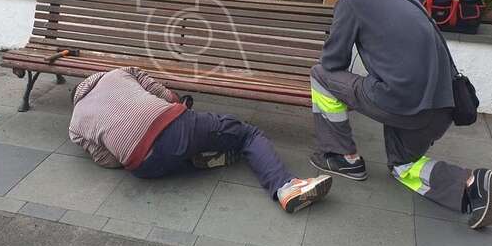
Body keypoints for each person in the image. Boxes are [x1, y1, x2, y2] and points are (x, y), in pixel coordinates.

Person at [308, 0, 492, 229]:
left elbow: (333, 62)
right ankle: (471, 184)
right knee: (403, 166)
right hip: (441, 108)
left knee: (320, 75)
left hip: (399, 103)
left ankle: (343, 157)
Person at [69, 66, 332, 213]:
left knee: (169, 152)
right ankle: (285, 186)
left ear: (77, 99)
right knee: (247, 134)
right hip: (175, 126)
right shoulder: (117, 73)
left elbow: (108, 160)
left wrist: (126, 140)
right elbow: (161, 92)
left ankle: (198, 160)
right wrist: (176, 105)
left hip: (143, 167)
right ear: (93, 79)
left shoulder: (75, 125)